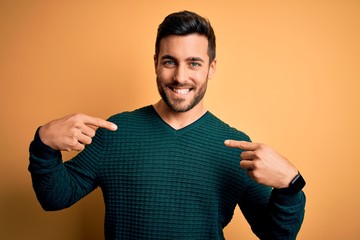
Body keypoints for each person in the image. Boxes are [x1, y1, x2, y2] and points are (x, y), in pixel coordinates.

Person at [28, 10, 306, 240]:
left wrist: (290, 186)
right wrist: (43, 145)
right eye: (170, 62)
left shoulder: (235, 147)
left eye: (194, 63)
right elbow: (55, 198)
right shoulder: (116, 132)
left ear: (211, 67)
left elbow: (276, 235)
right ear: (155, 64)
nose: (180, 76)